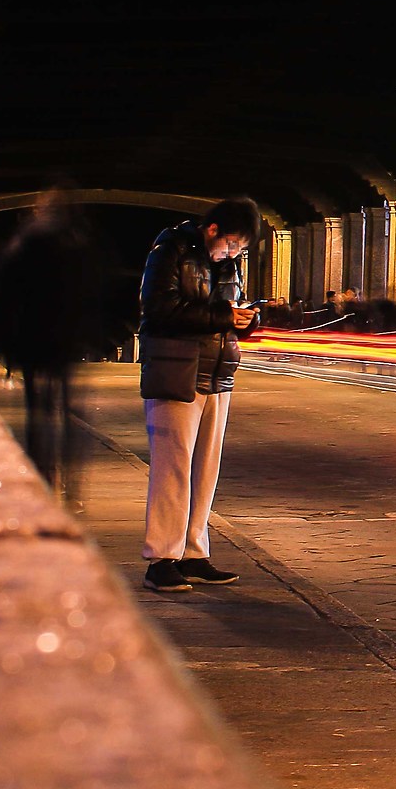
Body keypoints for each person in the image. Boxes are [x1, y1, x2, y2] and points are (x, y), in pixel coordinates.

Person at [137, 197, 262, 593]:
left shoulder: (229, 264)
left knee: (206, 469)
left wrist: (246, 320)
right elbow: (158, 309)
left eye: (240, 248)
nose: (235, 253)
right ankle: (161, 558)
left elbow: (226, 311)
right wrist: (224, 316)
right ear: (212, 230)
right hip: (177, 369)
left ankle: (195, 552)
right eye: (232, 244)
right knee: (172, 467)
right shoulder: (170, 249)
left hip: (218, 372)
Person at [0, 202, 102, 497]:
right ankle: (72, 483)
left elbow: (4, 299)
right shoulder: (78, 248)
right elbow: (93, 295)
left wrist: (6, 345)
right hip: (66, 341)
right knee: (69, 411)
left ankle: (43, 475)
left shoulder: (21, 249)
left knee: (38, 410)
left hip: (32, 341)